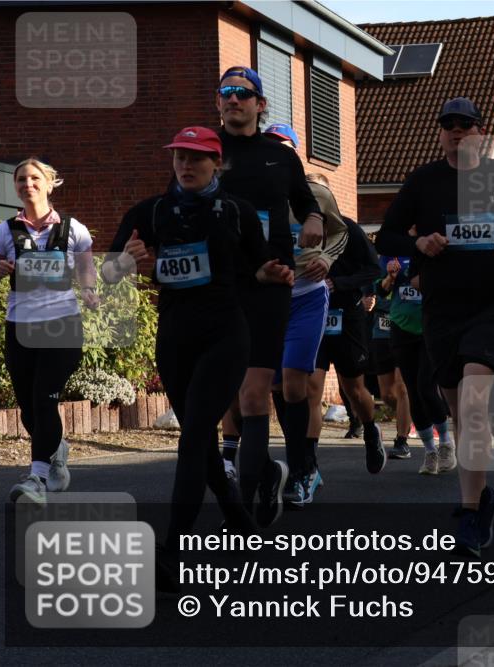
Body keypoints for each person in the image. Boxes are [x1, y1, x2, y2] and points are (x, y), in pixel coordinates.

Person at [103, 127, 293, 588]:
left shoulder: (236, 211)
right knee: (202, 447)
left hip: (226, 335)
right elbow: (106, 273)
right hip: (175, 338)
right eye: (179, 158)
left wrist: (273, 272)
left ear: (217, 164)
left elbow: (260, 266)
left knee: (192, 438)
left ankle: (173, 551)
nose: (186, 166)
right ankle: (242, 523)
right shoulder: (150, 212)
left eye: (197, 159)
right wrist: (125, 264)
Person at [375, 97, 494, 557]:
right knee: (465, 412)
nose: (456, 132)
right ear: (440, 133)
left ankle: (471, 512)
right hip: (441, 312)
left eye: (465, 125)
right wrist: (418, 241)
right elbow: (386, 235)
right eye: (448, 125)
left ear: (479, 132)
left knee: (475, 407)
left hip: (491, 307)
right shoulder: (424, 181)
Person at [214, 66, 326, 521]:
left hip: (271, 282)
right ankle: (263, 474)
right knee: (227, 393)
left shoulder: (281, 157)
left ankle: (256, 491)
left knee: (256, 392)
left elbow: (305, 201)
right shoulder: (204, 151)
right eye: (226, 92)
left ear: (260, 105)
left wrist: (314, 219)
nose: (233, 99)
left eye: (242, 93)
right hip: (218, 286)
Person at [0, 158, 99, 504]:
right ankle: (55, 449)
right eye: (21, 179)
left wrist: (90, 292)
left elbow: (86, 271)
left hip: (62, 325)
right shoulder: (4, 231)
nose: (27, 183)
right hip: (20, 327)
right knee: (29, 408)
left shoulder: (73, 229)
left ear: (50, 184)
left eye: (35, 178)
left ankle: (36, 477)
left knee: (43, 396)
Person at [250, 125, 348, 509]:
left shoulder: (316, 194)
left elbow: (342, 234)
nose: (277, 155)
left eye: (285, 149)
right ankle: (298, 466)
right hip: (266, 299)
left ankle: (303, 469)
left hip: (307, 297)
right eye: (271, 147)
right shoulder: (250, 192)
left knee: (295, 385)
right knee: (272, 387)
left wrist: (326, 256)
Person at [306, 184, 384, 473]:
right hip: (312, 315)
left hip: (346, 316)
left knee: (354, 389)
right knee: (311, 388)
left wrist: (339, 283)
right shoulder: (298, 229)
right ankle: (309, 464)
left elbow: (373, 269)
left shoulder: (349, 230)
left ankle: (370, 428)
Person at [377, 256, 454, 475]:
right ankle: (430, 452)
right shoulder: (390, 257)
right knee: (413, 391)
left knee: (425, 388)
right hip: (401, 330)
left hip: (430, 329)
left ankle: (446, 443)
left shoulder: (433, 251)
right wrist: (390, 278)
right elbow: (380, 292)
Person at [366, 278, 412, 460]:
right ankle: (412, 414)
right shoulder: (378, 263)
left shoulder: (410, 259)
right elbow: (368, 290)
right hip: (381, 330)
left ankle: (402, 441)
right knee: (387, 395)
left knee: (402, 388)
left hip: (405, 327)